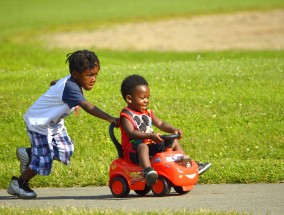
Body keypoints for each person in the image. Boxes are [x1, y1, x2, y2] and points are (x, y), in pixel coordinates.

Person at [7, 50, 120, 199]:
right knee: (43, 160)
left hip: (53, 123)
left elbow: (55, 83)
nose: (93, 79)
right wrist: (110, 118)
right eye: (89, 75)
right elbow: (87, 106)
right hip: (39, 123)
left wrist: (55, 86)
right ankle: (19, 183)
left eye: (95, 75)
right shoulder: (71, 87)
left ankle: (29, 154)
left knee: (65, 150)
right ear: (75, 74)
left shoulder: (71, 84)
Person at [120, 74, 211, 186]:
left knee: (173, 142)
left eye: (148, 97)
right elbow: (131, 133)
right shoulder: (126, 115)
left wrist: (173, 129)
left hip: (150, 145)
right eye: (142, 98)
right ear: (129, 99)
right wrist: (150, 136)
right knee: (143, 147)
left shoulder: (147, 113)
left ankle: (188, 165)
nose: (146, 101)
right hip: (133, 150)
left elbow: (161, 123)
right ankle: (148, 171)